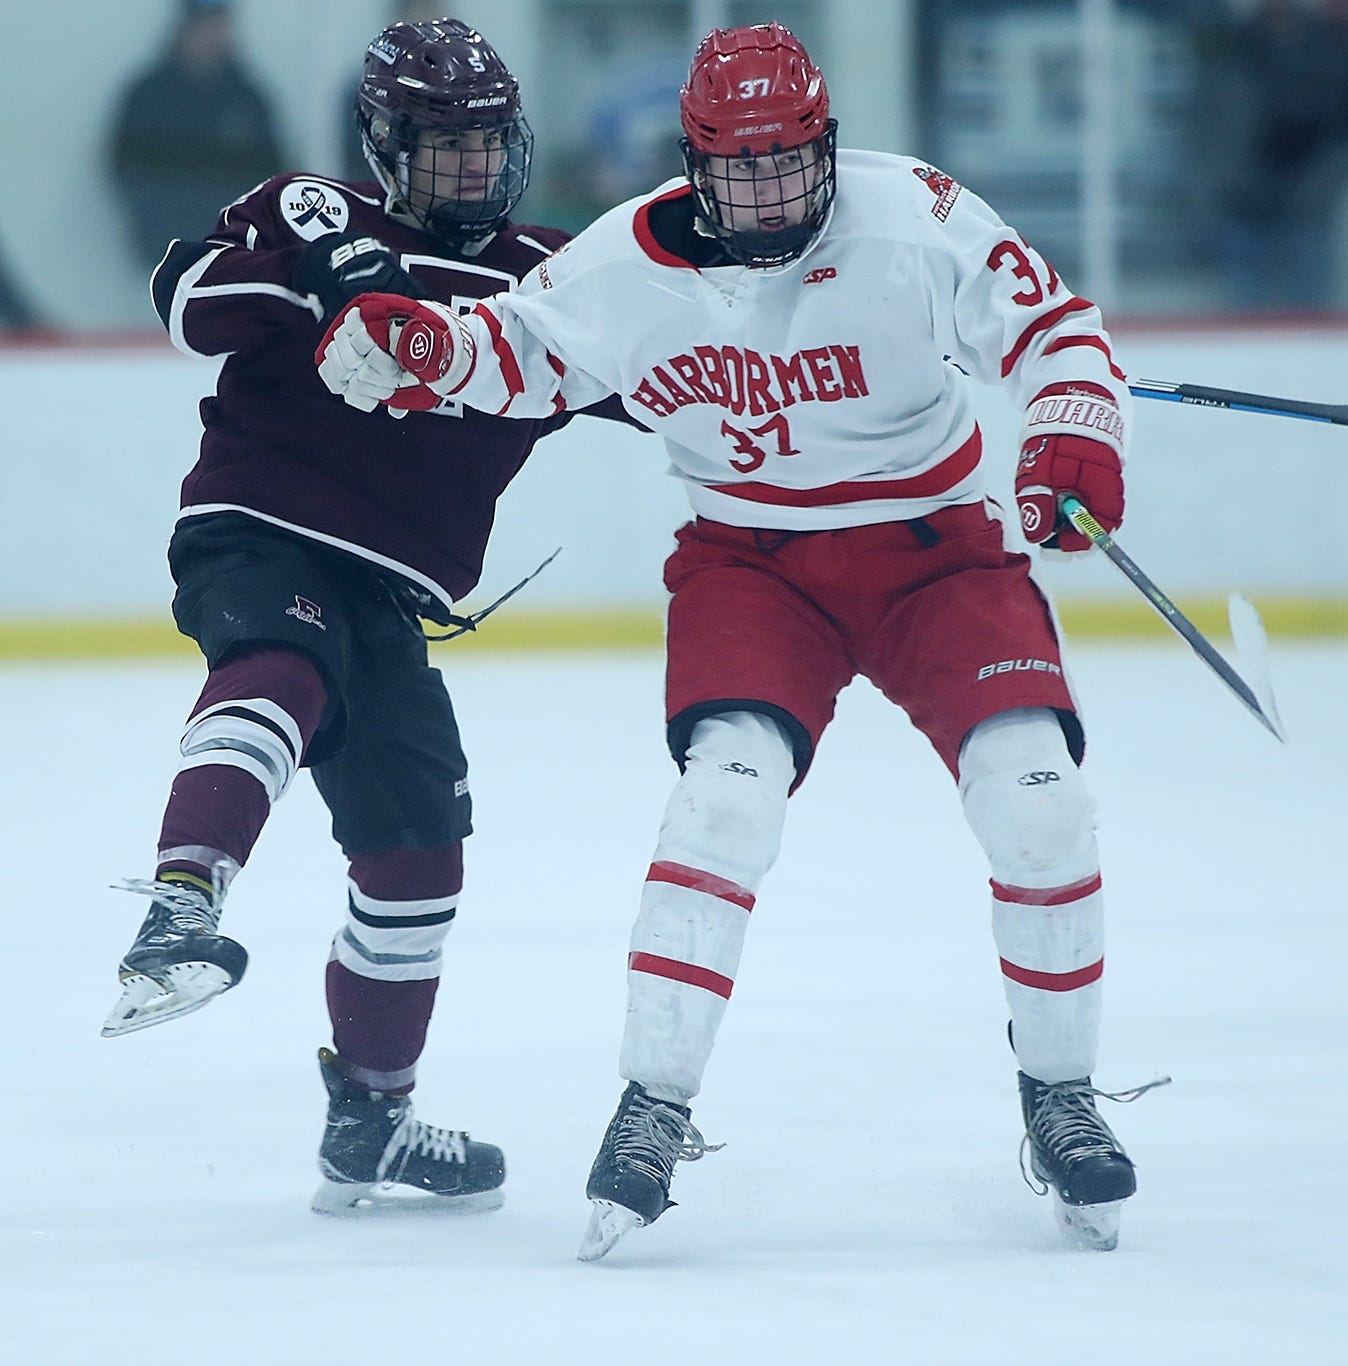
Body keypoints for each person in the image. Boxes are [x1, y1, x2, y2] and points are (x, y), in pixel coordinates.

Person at [319, 22, 1156, 1258]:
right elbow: (524, 351)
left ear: (823, 144)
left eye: (787, 162)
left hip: (936, 551)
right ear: (693, 166)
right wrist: (429, 348)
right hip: (752, 565)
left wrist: (1072, 430)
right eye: (737, 168)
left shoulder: (914, 213)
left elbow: (1052, 328)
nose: (768, 192)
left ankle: (1061, 1097)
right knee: (720, 805)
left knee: (1038, 800)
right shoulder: (620, 264)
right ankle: (652, 1104)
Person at [103, 18, 632, 1216]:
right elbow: (181, 295)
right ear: (388, 147)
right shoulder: (307, 209)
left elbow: (670, 384)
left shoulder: (546, 279)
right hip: (259, 527)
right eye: (445, 146)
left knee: (416, 853)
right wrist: (311, 274)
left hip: (389, 593)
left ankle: (371, 1121)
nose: (474, 169)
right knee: (281, 667)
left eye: (490, 143)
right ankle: (183, 899)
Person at [1195, 0, 1348, 310]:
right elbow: (1206, 128)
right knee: (1242, 319)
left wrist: (1318, 191)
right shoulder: (1229, 46)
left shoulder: (1331, 45)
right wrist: (1232, 185)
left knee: (1313, 317)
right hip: (1244, 209)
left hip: (1309, 213)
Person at [108, 0, 286, 271]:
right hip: (161, 252)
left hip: (233, 256)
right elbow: (124, 166)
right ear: (184, 29)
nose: (213, 36)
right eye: (205, 26)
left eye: (220, 25)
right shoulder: (148, 96)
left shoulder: (248, 100)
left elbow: (270, 177)